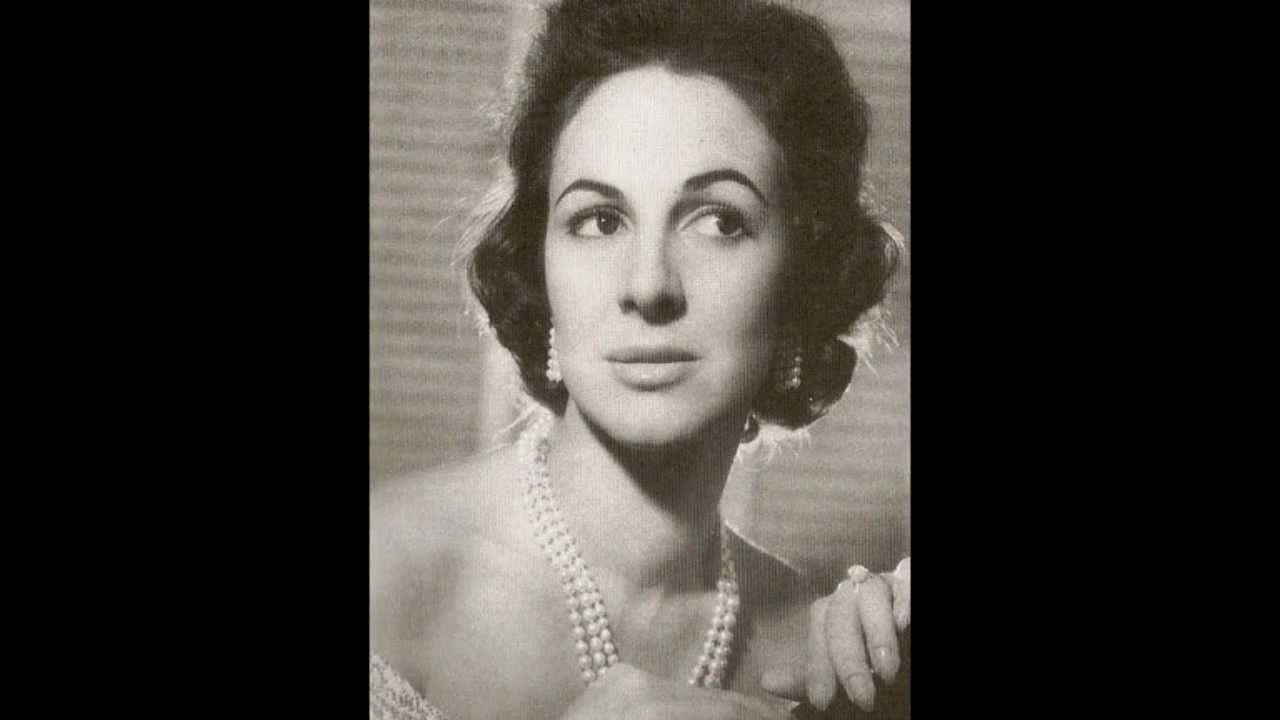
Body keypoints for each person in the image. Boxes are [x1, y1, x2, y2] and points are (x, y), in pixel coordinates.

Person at [370, 1, 909, 718]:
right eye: (599, 221)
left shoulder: (819, 656)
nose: (649, 285)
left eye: (719, 221)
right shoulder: (383, 573)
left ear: (800, 280)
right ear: (540, 272)